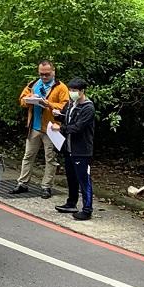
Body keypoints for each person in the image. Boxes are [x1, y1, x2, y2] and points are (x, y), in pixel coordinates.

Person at [10, 60, 70, 198]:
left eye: (47, 74)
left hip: (51, 128)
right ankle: (22, 183)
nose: (44, 77)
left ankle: (46, 186)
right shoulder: (33, 84)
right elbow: (22, 100)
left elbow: (65, 107)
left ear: (53, 72)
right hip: (35, 126)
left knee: (50, 158)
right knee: (28, 156)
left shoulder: (61, 88)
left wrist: (48, 104)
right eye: (41, 74)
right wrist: (29, 99)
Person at [51, 78, 95, 220]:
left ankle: (87, 209)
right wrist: (59, 115)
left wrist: (61, 127)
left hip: (81, 150)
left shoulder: (88, 107)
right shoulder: (71, 104)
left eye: (75, 91)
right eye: (70, 90)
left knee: (84, 179)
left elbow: (78, 127)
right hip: (69, 148)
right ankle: (71, 203)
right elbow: (67, 119)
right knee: (71, 178)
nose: (72, 93)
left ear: (82, 91)